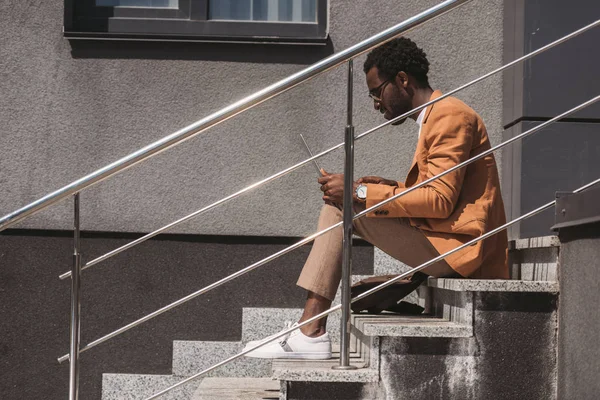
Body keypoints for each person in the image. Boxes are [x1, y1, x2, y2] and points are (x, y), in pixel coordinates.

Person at [244, 37, 508, 360]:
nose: (375, 104)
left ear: (402, 80)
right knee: (342, 202)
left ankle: (311, 330)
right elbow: (437, 192)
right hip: (447, 241)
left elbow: (439, 199)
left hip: (461, 249)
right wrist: (375, 186)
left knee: (340, 206)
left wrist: (358, 193)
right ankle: (309, 329)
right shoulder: (436, 117)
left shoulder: (449, 115)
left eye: (377, 92)